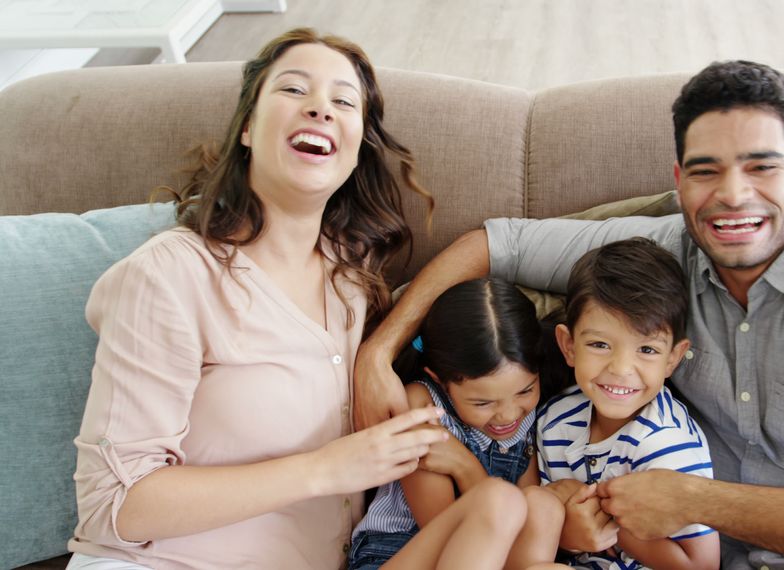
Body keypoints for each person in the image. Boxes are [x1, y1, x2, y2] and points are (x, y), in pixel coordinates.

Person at [354, 60, 784, 569]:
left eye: (762, 167)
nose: (732, 195)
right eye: (705, 171)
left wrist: (690, 500)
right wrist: (378, 355)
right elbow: (495, 244)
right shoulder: (665, 255)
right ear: (679, 180)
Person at [67, 28, 529, 570]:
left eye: (343, 101)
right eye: (293, 90)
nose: (320, 109)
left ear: (357, 147)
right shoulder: (169, 275)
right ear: (247, 128)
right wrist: (326, 469)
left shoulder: (352, 281)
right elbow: (111, 507)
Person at [348, 277, 565, 570]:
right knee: (500, 500)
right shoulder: (421, 407)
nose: (509, 415)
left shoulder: (528, 417)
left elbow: (524, 519)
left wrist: (463, 465)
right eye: (483, 403)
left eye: (525, 391)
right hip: (399, 553)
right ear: (440, 379)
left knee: (543, 506)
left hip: (487, 559)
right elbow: (443, 527)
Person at [538, 238, 720, 569]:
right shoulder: (554, 421)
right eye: (599, 344)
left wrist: (605, 518)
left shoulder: (666, 444)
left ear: (672, 359)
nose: (621, 369)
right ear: (568, 346)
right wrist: (567, 533)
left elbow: (702, 565)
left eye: (647, 350)